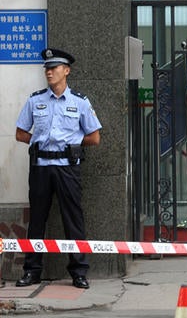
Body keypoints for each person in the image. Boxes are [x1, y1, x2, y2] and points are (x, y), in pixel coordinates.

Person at [15, 48, 102, 289]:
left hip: (67, 168)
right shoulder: (35, 100)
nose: (49, 72)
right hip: (41, 167)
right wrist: (38, 142)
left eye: (54, 68)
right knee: (37, 221)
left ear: (67, 71)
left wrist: (72, 143)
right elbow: (20, 133)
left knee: (73, 220)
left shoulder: (80, 102)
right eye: (47, 68)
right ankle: (32, 271)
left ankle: (79, 272)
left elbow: (94, 137)